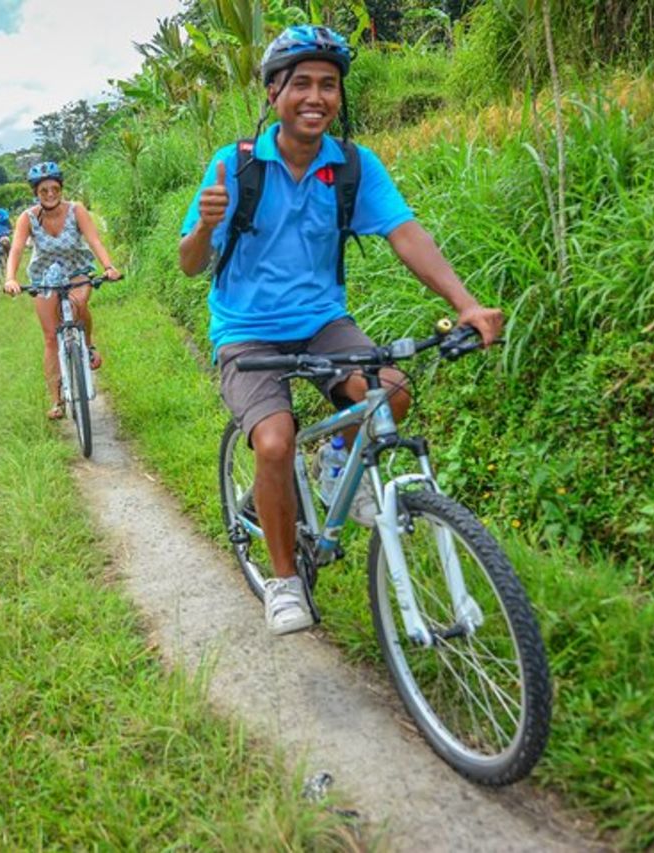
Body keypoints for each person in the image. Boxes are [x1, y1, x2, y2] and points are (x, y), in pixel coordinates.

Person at [178, 25, 504, 635]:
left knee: (391, 394)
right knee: (273, 443)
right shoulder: (235, 166)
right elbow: (191, 263)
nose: (316, 96)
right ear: (274, 92)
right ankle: (283, 581)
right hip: (247, 332)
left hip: (324, 323)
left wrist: (467, 302)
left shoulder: (353, 166)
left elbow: (406, 233)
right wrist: (202, 227)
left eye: (328, 85)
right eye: (300, 83)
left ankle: (335, 463)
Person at [4, 162, 122, 419]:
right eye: (43, 190)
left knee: (79, 305)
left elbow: (94, 240)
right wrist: (10, 278)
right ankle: (56, 400)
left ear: (61, 188)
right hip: (45, 276)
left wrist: (109, 266)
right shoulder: (27, 218)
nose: (49, 194)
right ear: (36, 192)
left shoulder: (76, 211)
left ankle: (88, 345)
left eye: (54, 188)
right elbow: (15, 249)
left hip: (76, 270)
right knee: (50, 337)